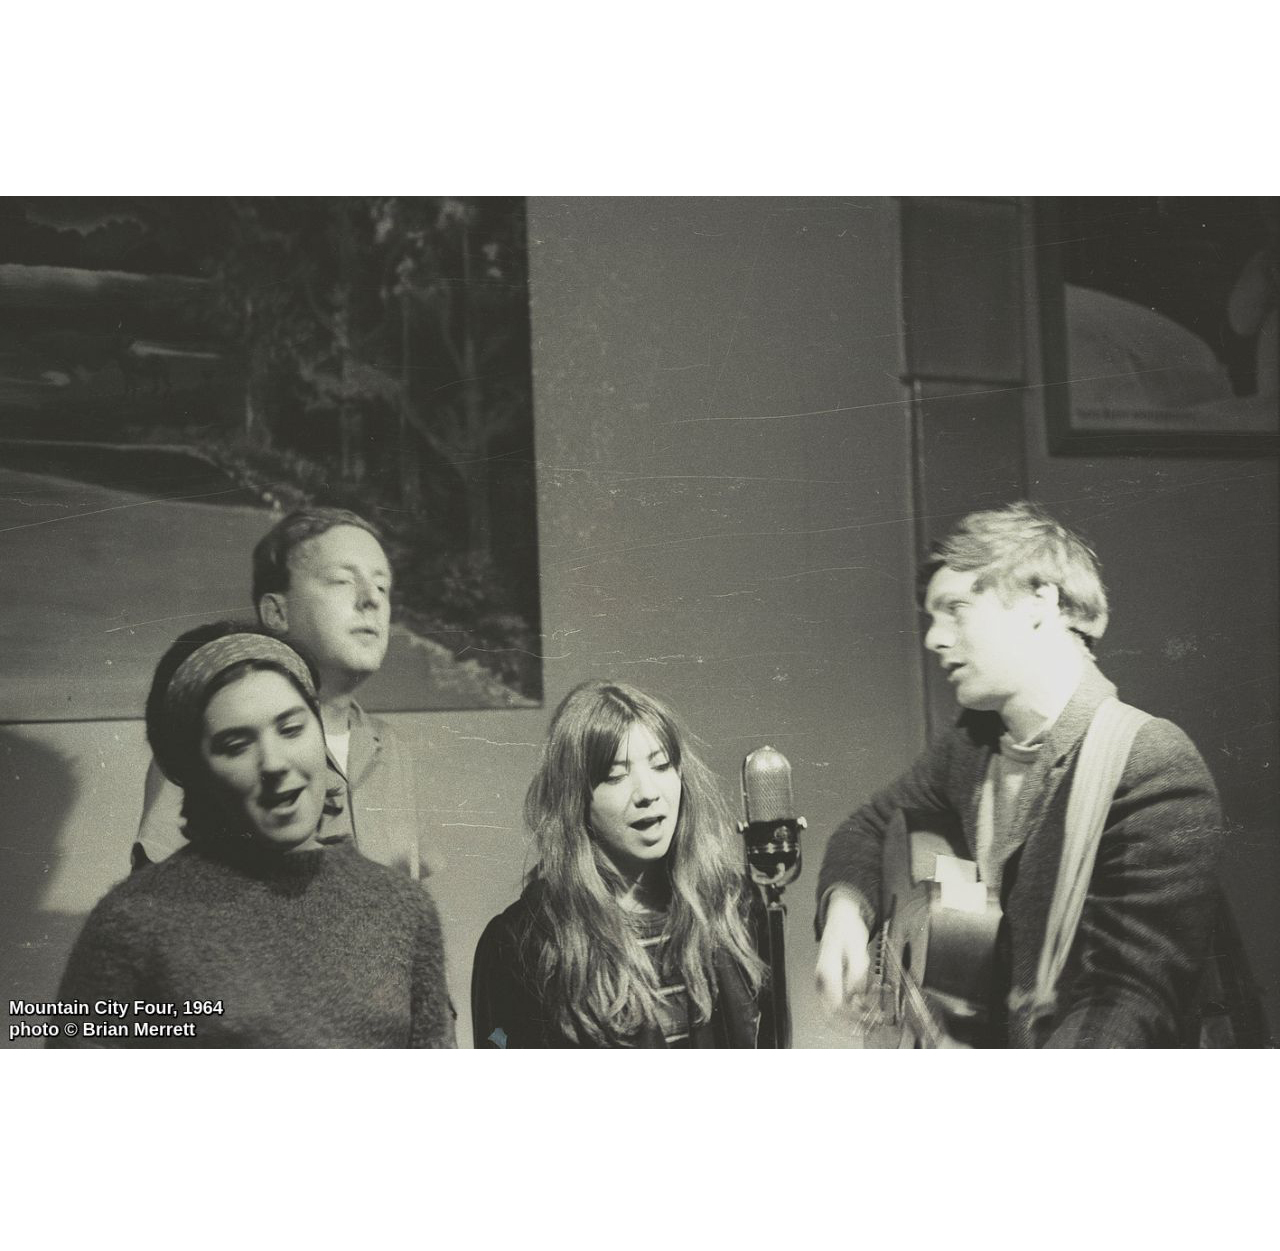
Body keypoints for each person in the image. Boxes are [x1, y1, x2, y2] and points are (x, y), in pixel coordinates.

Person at [814, 502, 1223, 1048]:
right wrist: (846, 912)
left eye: (955, 609)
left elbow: (1126, 1003)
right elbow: (868, 827)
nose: (933, 639)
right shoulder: (971, 748)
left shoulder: (1151, 764)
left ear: (1039, 602)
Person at [54, 624, 455, 1047]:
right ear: (194, 771)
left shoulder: (403, 909)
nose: (274, 763)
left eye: (291, 728)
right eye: (236, 745)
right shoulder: (133, 920)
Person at [134, 506, 431, 880]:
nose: (371, 599)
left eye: (382, 586)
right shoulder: (204, 751)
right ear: (277, 614)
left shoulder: (393, 748)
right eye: (342, 581)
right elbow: (160, 897)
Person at [471, 680, 765, 1048]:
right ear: (575, 799)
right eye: (615, 776)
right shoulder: (520, 944)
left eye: (661, 765)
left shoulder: (735, 905)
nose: (648, 793)